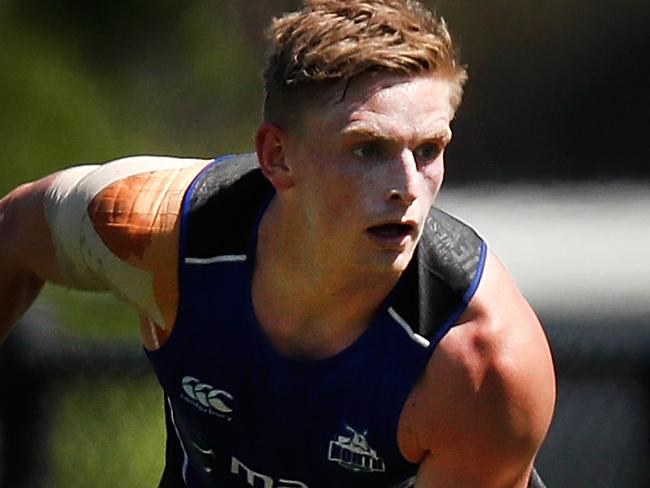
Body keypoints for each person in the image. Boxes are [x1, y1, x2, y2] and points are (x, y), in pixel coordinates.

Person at [0, 0, 555, 486]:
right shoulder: (151, 233)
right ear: (276, 157)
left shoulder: (483, 365)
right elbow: (16, 232)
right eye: (367, 150)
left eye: (430, 150)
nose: (408, 187)